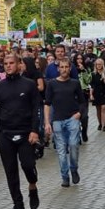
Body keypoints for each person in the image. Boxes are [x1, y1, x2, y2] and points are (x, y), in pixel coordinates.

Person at [0, 53, 41, 209]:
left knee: (28, 165)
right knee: (10, 170)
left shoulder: (29, 85)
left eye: (12, 63)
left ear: (19, 65)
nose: (8, 66)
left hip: (25, 133)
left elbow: (35, 110)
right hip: (6, 133)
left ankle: (32, 185)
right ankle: (18, 204)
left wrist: (35, 131)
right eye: (6, 63)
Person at [44, 58, 85, 187]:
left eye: (66, 67)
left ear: (70, 68)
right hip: (57, 120)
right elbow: (47, 104)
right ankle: (65, 176)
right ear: (58, 69)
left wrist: (79, 113)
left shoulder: (75, 83)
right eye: (62, 67)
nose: (64, 69)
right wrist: (47, 122)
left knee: (73, 146)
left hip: (72, 118)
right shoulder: (52, 84)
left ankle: (74, 168)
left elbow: (83, 101)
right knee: (61, 151)